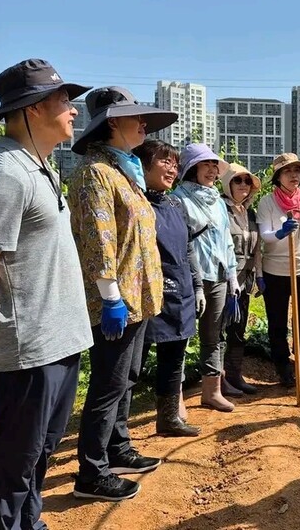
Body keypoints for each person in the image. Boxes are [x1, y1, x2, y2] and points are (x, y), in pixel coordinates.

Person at [0, 59, 91, 530]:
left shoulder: (41, 166)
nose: (73, 110)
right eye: (63, 101)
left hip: (58, 341)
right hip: (28, 349)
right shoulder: (3, 175)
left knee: (37, 456)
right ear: (33, 109)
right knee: (11, 467)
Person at [67, 86, 177, 501]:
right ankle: (91, 473)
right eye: (137, 118)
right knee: (108, 382)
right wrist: (110, 295)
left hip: (138, 299)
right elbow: (99, 239)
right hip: (115, 301)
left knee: (127, 377)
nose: (144, 125)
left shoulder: (123, 171)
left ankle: (117, 447)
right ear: (113, 122)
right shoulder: (95, 172)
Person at [132, 140, 201, 437]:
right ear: (143, 165)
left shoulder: (173, 203)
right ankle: (115, 430)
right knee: (132, 366)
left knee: (173, 358)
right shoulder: (136, 203)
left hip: (180, 290)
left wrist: (196, 284)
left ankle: (169, 417)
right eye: (164, 162)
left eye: (175, 164)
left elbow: (187, 247)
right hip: (147, 294)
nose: (172, 169)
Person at [171, 144, 240, 410]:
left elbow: (226, 240)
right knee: (181, 338)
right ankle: (173, 400)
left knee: (214, 335)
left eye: (214, 166)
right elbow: (179, 243)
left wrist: (232, 275)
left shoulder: (218, 202)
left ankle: (211, 391)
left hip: (219, 275)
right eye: (205, 165)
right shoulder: (179, 199)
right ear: (191, 168)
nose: (212, 170)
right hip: (190, 278)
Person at [255, 153, 300, 387]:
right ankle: (283, 368)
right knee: (277, 322)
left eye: (296, 171)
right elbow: (264, 235)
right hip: (275, 272)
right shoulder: (267, 202)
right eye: (288, 171)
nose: (293, 175)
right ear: (278, 177)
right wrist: (279, 233)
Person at [221, 161, 263, 394]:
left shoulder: (250, 212)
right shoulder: (220, 208)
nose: (243, 185)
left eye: (247, 181)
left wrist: (258, 274)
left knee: (238, 329)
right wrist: (230, 282)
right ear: (228, 183)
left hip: (244, 280)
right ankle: (218, 380)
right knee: (218, 329)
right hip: (224, 279)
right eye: (238, 180)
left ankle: (235, 375)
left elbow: (257, 249)